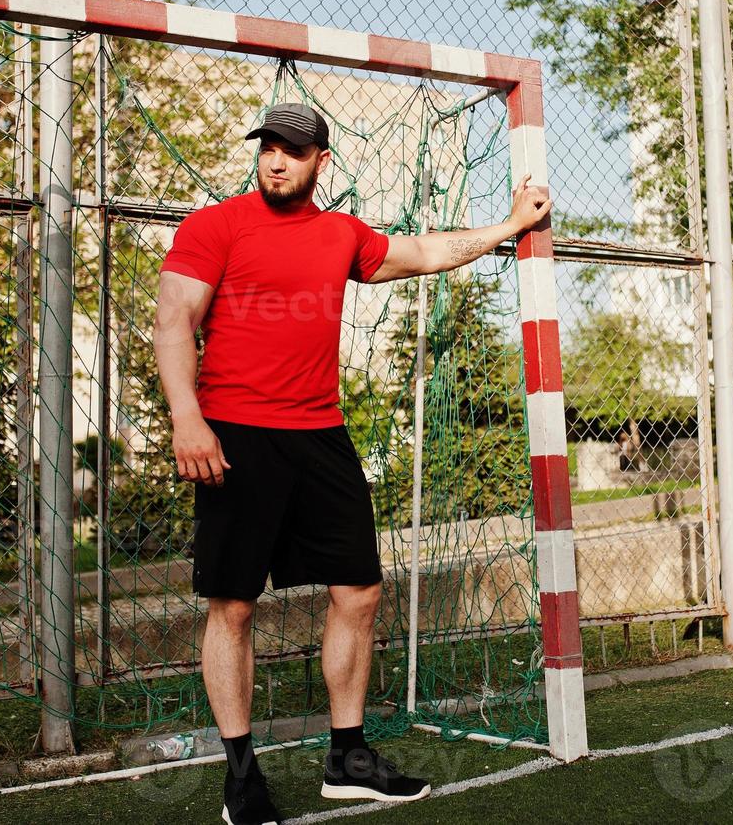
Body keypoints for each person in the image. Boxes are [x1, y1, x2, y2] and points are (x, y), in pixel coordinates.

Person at [153, 101, 553, 825]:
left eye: (293, 150)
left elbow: (427, 253)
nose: (276, 159)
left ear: (319, 163)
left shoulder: (341, 236)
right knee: (235, 605)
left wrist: (509, 225)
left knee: (360, 592)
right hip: (234, 433)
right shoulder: (216, 225)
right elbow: (174, 317)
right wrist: (188, 416)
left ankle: (348, 756)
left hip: (320, 435)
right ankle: (241, 777)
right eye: (268, 146)